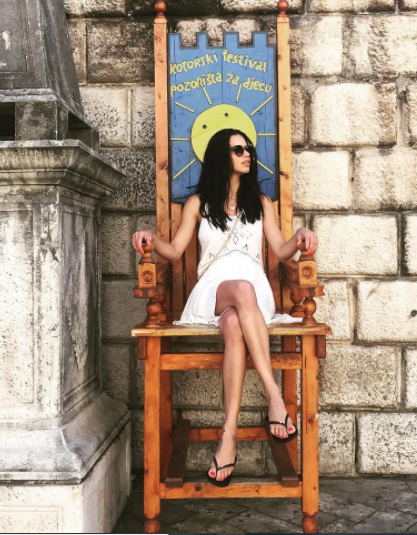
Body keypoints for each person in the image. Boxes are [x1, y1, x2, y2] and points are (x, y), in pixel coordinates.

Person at [132, 128, 319, 487]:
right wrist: (150, 237)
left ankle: (228, 436)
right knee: (240, 291)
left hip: (253, 296)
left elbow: (281, 251)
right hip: (213, 290)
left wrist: (300, 236)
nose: (247, 154)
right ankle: (275, 397)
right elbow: (173, 252)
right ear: (221, 155)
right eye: (238, 149)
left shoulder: (260, 203)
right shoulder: (198, 204)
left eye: (248, 149)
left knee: (234, 322)